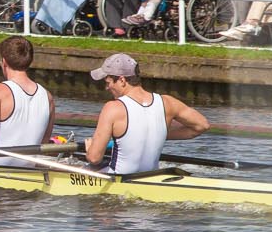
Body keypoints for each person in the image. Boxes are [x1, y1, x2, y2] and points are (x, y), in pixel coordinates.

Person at [81, 53, 209, 175]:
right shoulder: (168, 102)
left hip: (120, 180)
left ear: (122, 80)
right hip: (151, 177)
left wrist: (90, 149)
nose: (107, 88)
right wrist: (155, 134)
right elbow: (202, 125)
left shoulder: (112, 108)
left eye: (108, 83)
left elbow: (94, 158)